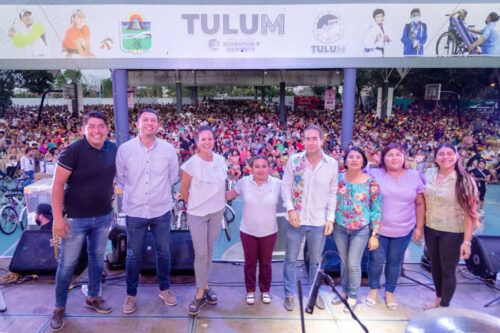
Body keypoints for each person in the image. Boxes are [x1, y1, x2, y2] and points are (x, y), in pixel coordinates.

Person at [50, 111, 116, 332]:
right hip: (76, 219)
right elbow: (57, 186)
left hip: (103, 216)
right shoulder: (73, 151)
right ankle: (59, 307)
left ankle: (94, 297)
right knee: (67, 264)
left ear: (107, 129)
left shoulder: (113, 149)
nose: (97, 130)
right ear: (84, 129)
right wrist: (58, 219)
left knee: (97, 260)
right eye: (92, 126)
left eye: (101, 126)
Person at [116, 109, 179, 314]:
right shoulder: (125, 150)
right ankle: (131, 294)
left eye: (153, 120)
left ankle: (165, 289)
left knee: (164, 252)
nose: (150, 123)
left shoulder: (168, 150)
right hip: (135, 210)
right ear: (138, 124)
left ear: (158, 125)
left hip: (161, 210)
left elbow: (172, 178)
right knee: (133, 255)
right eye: (145, 120)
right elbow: (121, 178)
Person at [281, 125, 338, 311]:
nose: (311, 142)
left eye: (315, 138)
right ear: (303, 140)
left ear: (322, 140)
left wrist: (330, 218)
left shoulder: (332, 164)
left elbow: (332, 192)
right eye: (307, 138)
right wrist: (290, 210)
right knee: (290, 258)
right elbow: (286, 187)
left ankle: (314, 292)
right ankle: (289, 293)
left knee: (315, 260)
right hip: (295, 219)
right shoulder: (294, 161)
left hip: (318, 220)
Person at [366, 143, 425, 310]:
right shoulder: (374, 173)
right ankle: (374, 288)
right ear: (383, 158)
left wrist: (419, 227)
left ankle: (390, 291)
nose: (394, 158)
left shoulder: (414, 176)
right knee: (376, 261)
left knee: (395, 262)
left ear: (404, 157)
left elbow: (420, 203)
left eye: (398, 154)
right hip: (378, 229)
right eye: (390, 154)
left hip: (404, 229)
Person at [423, 144, 478, 309]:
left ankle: (444, 307)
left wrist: (466, 242)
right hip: (431, 228)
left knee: (448, 270)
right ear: (435, 157)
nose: (445, 157)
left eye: (449, 153)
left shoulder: (464, 180)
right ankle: (438, 300)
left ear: (456, 156)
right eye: (441, 154)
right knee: (435, 267)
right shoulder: (429, 174)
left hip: (453, 231)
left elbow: (471, 214)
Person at [180, 125, 227, 316]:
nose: (207, 142)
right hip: (197, 214)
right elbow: (184, 190)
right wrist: (195, 205)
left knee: (208, 251)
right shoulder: (191, 164)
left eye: (210, 138)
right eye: (203, 139)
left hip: (216, 212)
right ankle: (200, 293)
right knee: (201, 254)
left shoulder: (221, 160)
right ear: (197, 142)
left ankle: (205, 285)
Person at [226, 156, 281, 305]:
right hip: (248, 231)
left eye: (264, 166)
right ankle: (250, 290)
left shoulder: (278, 184)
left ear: (269, 168)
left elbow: (292, 198)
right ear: (251, 168)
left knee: (266, 263)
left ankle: (265, 291)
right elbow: (230, 195)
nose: (260, 169)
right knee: (249, 263)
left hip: (269, 231)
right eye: (257, 166)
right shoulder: (244, 182)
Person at [333, 147, 381, 312]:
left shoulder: (371, 182)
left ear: (363, 161)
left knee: (353, 263)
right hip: (339, 227)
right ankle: (344, 291)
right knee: (344, 261)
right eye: (351, 157)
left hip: (360, 229)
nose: (354, 160)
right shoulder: (338, 179)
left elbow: (376, 209)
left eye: (358, 157)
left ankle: (353, 295)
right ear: (345, 161)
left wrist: (375, 233)